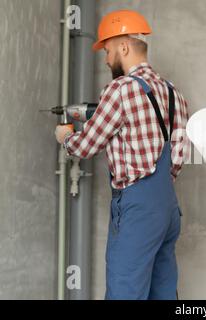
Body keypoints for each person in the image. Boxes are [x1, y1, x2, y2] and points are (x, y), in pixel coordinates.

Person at [55, 10, 189, 300]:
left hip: (138, 208)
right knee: (163, 292)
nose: (105, 59)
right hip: (167, 209)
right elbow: (177, 158)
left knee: (125, 291)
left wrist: (66, 137)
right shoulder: (174, 94)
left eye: (107, 50)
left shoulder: (120, 89)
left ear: (123, 47)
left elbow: (86, 146)